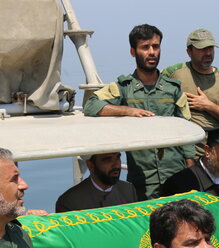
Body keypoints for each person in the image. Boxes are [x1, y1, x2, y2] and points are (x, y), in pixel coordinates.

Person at [83, 24, 194, 200]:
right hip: (142, 179)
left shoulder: (172, 89)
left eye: (156, 47)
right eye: (145, 47)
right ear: (133, 52)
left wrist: (190, 169)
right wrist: (126, 110)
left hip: (176, 175)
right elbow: (91, 106)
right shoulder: (123, 88)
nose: (152, 52)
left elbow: (187, 128)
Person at [162, 28, 219, 155]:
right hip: (177, 151)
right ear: (189, 52)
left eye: (210, 48)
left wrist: (208, 106)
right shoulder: (173, 74)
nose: (208, 53)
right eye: (202, 49)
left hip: (209, 153)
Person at [55, 152, 137, 212]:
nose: (116, 165)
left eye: (117, 158)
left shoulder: (128, 190)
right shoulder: (69, 202)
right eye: (108, 160)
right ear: (90, 165)